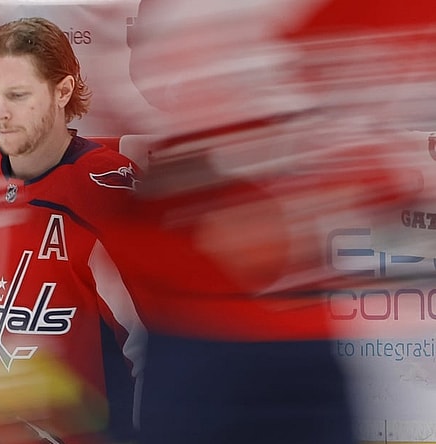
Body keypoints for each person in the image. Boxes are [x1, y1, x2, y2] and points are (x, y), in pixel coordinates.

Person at [115, 0, 434, 443]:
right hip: (197, 333)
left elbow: (380, 123)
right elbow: (142, 93)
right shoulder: (185, 25)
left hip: (301, 339)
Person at [0, 17, 146, 444]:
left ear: (63, 91)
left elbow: (156, 340)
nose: (0, 113)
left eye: (18, 95)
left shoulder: (109, 189)